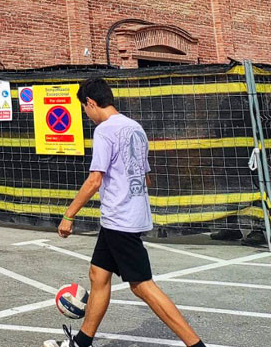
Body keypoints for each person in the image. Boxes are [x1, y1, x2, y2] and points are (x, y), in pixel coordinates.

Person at [45, 78, 205, 347]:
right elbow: (145, 177)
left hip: (120, 219)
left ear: (91, 103)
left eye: (85, 108)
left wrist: (69, 215)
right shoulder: (135, 128)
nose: (87, 114)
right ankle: (82, 343)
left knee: (142, 286)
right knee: (98, 274)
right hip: (126, 216)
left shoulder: (105, 131)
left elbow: (95, 179)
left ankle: (196, 345)